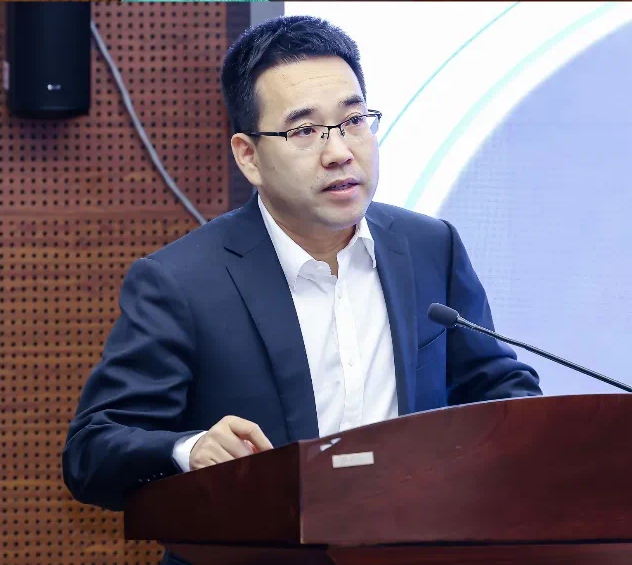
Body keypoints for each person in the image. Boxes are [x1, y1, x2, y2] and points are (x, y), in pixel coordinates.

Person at [62, 14, 542, 561]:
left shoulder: (431, 246)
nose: (339, 152)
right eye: (304, 131)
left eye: (354, 120)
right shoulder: (181, 282)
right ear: (248, 156)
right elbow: (92, 452)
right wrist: (189, 449)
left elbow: (494, 386)